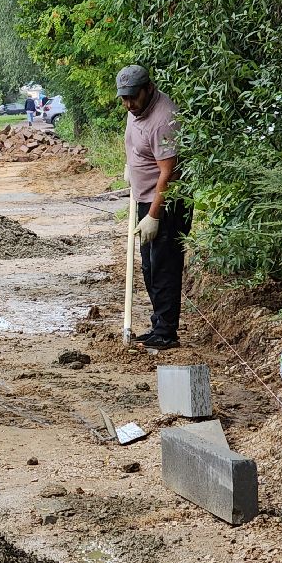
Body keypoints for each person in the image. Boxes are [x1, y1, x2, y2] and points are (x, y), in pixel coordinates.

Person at [118, 64, 186, 350]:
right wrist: (131, 166)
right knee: (149, 266)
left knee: (164, 267)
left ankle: (166, 333)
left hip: (165, 204)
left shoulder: (163, 120)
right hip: (144, 198)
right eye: (124, 98)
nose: (128, 104)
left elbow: (170, 173)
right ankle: (158, 324)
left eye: (133, 97)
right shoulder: (137, 110)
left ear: (148, 89)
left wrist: (154, 215)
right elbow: (136, 142)